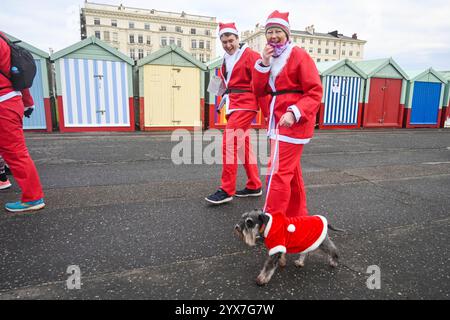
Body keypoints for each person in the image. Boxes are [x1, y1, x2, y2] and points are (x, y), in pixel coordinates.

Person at [252, 11, 323, 218]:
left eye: (277, 31)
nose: (273, 36)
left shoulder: (299, 54)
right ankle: (299, 216)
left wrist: (295, 113)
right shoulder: (270, 56)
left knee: (278, 173)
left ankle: (270, 220)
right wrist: (263, 63)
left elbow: (315, 91)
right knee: (291, 174)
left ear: (287, 33)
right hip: (277, 122)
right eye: (269, 32)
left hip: (292, 123)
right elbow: (258, 90)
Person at [205, 22, 268, 205]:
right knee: (242, 146)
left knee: (229, 143)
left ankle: (226, 189)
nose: (228, 44)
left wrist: (266, 111)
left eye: (231, 40)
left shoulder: (251, 55)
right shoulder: (225, 58)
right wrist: (222, 92)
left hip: (246, 104)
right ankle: (254, 184)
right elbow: (226, 83)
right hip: (233, 104)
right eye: (224, 41)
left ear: (238, 38)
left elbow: (263, 79)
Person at [0, 32, 45, 212]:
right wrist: (27, 101)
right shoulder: (4, 40)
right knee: (14, 151)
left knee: (15, 153)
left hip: (3, 103)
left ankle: (33, 198)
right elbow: (16, 75)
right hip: (10, 101)